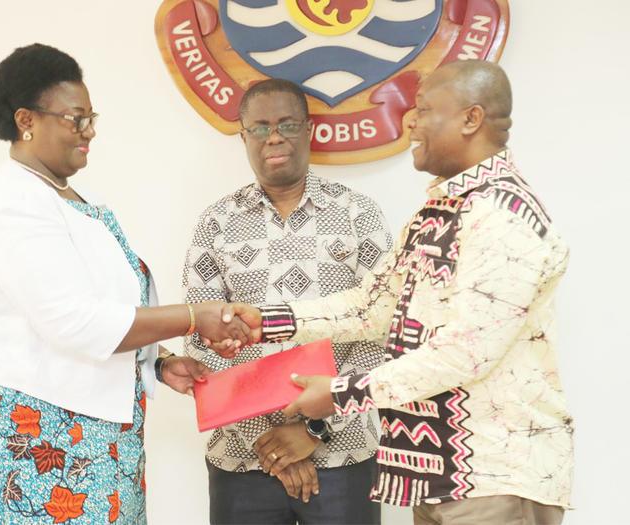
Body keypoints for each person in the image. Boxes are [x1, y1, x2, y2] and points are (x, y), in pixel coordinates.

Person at [222, 61, 574, 525]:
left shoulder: (501, 214)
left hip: (495, 476)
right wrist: (266, 321)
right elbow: (370, 307)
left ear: (471, 119)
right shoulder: (440, 210)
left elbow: (465, 353)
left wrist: (342, 394)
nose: (411, 121)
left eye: (425, 110)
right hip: (439, 478)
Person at [0, 43, 250, 524]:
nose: (90, 131)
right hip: (29, 438)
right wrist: (193, 317)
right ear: (27, 120)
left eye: (91, 117)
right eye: (75, 118)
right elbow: (75, 322)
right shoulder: (15, 205)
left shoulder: (74, 197)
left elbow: (103, 304)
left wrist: (158, 361)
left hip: (85, 432)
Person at [182, 78, 392, 524]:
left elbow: (383, 330)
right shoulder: (216, 223)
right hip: (241, 460)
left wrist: (315, 430)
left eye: (286, 123)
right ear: (243, 137)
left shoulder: (359, 215)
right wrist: (271, 439)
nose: (273, 136)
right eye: (258, 127)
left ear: (309, 129)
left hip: (343, 456)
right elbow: (201, 341)